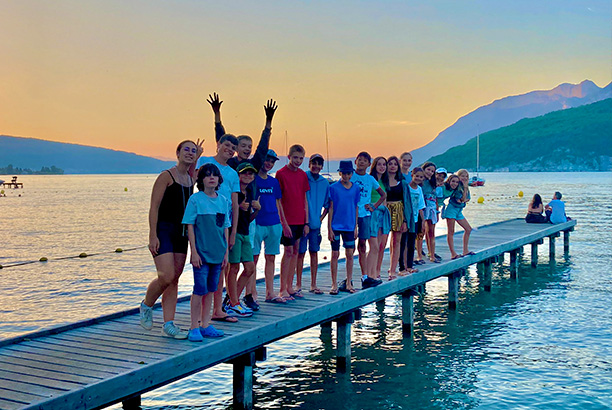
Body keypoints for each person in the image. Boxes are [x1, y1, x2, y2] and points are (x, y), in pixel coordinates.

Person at [139, 139, 203, 339]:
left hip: (182, 233)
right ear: (177, 153)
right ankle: (147, 304)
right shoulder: (166, 176)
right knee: (165, 275)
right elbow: (154, 207)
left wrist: (198, 156)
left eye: (193, 151)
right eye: (186, 150)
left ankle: (169, 324)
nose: (190, 153)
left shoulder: (191, 179)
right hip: (164, 230)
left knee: (174, 278)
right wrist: (152, 235)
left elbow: (195, 173)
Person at [182, 164, 230, 341]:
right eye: (207, 175)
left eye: (214, 176)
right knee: (199, 289)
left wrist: (225, 253)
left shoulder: (223, 201)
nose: (211, 178)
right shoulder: (196, 200)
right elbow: (190, 226)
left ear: (219, 180)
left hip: (218, 253)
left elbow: (225, 227)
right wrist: (193, 252)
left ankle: (205, 324)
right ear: (201, 179)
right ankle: (194, 326)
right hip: (201, 254)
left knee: (212, 288)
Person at [197, 134, 241, 322]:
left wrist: (233, 233)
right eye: (227, 145)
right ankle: (201, 312)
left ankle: (217, 310)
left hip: (223, 220)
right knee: (204, 265)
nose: (230, 150)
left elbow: (235, 204)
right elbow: (193, 179)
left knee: (223, 266)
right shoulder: (205, 161)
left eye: (233, 148)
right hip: (204, 217)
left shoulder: (232, 173)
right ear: (218, 144)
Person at [223, 162, 261, 317]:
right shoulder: (234, 193)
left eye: (251, 174)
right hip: (234, 232)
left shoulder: (250, 192)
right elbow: (227, 214)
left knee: (250, 268)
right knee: (234, 268)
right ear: (237, 175)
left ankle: (232, 300)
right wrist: (237, 207)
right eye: (245, 173)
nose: (248, 176)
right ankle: (233, 303)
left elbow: (249, 219)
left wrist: (257, 209)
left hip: (245, 233)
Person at [207, 92, 277, 172]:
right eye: (243, 146)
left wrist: (269, 121)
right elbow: (222, 138)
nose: (247, 149)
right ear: (236, 148)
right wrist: (217, 114)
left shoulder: (253, 164)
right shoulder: (228, 162)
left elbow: (262, 148)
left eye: (249, 147)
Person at [251, 150, 286, 304]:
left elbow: (278, 202)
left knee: (271, 257)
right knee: (253, 259)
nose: (268, 164)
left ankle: (270, 292)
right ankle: (251, 294)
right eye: (266, 160)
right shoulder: (253, 179)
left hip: (274, 223)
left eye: (272, 161)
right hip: (257, 223)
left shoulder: (274, 182)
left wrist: (282, 224)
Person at [276, 144, 310, 300]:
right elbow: (279, 200)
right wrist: (283, 223)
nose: (298, 161)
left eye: (301, 158)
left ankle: (290, 287)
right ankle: (282, 288)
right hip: (287, 220)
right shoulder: (281, 174)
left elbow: (304, 199)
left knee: (296, 252)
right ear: (289, 157)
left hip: (299, 220)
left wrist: (306, 222)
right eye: (295, 157)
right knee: (288, 252)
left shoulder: (303, 175)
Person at [351, 152, 386, 289]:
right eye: (359, 160)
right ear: (355, 161)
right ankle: (350, 277)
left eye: (364, 161)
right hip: (351, 214)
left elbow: (383, 194)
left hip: (365, 215)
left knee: (363, 245)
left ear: (368, 164)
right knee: (350, 247)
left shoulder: (370, 179)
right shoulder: (351, 176)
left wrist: (374, 206)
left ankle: (365, 276)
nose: (361, 162)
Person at [297, 154, 330, 295]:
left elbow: (328, 205)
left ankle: (313, 284)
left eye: (319, 164)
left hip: (316, 225)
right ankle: (298, 284)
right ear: (309, 164)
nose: (316, 166)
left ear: (322, 166)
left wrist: (320, 219)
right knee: (300, 253)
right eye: (313, 163)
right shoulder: (303, 178)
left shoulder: (325, 182)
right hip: (301, 223)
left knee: (314, 252)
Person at [328, 160, 360, 294]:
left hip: (349, 225)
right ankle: (334, 284)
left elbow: (356, 207)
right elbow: (330, 208)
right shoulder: (334, 188)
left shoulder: (355, 188)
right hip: (336, 225)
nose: (346, 176)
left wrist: (355, 226)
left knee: (350, 254)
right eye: (343, 173)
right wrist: (329, 228)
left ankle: (348, 282)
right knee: (335, 254)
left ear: (351, 174)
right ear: (339, 173)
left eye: (348, 173)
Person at [382, 156, 406, 279]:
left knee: (396, 241)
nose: (392, 166)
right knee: (383, 241)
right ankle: (377, 270)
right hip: (385, 211)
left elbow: (406, 201)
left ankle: (392, 269)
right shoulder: (382, 181)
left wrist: (405, 221)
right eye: (390, 164)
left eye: (395, 164)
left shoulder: (401, 182)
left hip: (398, 211)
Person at [369, 156, 392, 280]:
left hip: (383, 213)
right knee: (375, 245)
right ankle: (371, 272)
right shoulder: (371, 180)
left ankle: (377, 270)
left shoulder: (384, 181)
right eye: (379, 164)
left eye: (384, 164)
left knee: (382, 244)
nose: (382, 167)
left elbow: (385, 198)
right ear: (374, 166)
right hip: (373, 213)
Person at [443, 170, 474, 259]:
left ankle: (465, 250)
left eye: (466, 176)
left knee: (468, 229)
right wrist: (464, 190)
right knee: (451, 231)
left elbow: (467, 199)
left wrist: (465, 190)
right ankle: (453, 253)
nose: (464, 178)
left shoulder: (466, 187)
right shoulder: (458, 187)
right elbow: (461, 199)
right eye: (462, 176)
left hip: (458, 211)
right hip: (452, 210)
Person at [402, 167, 426, 273]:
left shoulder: (419, 189)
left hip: (415, 219)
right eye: (417, 176)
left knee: (412, 243)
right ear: (412, 175)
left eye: (421, 177)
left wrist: (423, 221)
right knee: (404, 242)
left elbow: (421, 206)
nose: (418, 178)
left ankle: (409, 266)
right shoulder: (406, 187)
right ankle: (403, 266)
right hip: (406, 218)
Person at [419, 162, 440, 263]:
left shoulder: (433, 183)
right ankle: (419, 255)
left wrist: (437, 211)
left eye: (432, 171)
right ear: (424, 169)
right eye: (428, 170)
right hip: (422, 208)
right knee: (421, 232)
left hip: (431, 208)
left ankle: (432, 254)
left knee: (431, 232)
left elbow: (435, 198)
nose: (430, 172)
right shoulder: (420, 182)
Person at [399, 152, 413, 271]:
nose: (407, 163)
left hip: (412, 209)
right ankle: (401, 266)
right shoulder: (398, 176)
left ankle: (408, 264)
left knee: (410, 238)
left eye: (409, 161)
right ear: (400, 161)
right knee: (400, 239)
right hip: (401, 208)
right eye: (405, 160)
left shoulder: (411, 175)